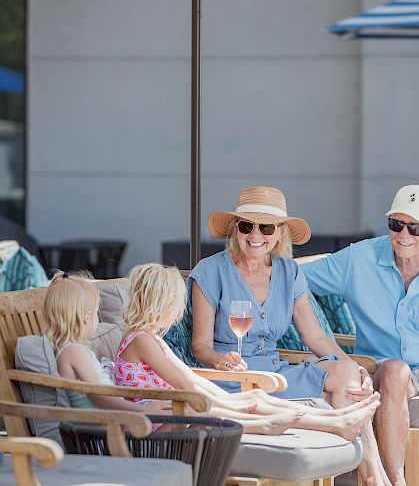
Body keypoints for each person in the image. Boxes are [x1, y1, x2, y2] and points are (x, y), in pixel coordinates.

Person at [190, 186, 390, 485]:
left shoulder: (289, 272)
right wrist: (221, 361)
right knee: (339, 396)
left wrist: (356, 367)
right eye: (247, 225)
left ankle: (370, 475)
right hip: (232, 378)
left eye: (266, 227)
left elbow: (316, 338)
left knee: (348, 378)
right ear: (235, 228)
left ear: (280, 233)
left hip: (277, 373)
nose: (255, 235)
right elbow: (200, 346)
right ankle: (375, 477)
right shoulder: (210, 271)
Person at [301, 184, 419, 486]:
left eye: (415, 227)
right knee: (396, 370)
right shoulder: (359, 259)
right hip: (384, 369)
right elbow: (296, 275)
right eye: (396, 224)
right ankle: (397, 481)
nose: (404, 235)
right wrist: (254, 262)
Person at [114, 262, 381, 439]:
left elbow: (190, 378)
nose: (178, 313)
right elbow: (187, 383)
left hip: (179, 406)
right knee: (252, 403)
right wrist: (232, 401)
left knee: (255, 400)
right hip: (164, 417)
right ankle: (335, 422)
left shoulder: (149, 340)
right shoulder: (142, 341)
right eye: (176, 304)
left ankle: (339, 418)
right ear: (162, 305)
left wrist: (237, 399)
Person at [43, 271, 173, 418]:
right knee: (179, 412)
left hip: (109, 422)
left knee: (177, 411)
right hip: (104, 430)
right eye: (95, 313)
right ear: (87, 318)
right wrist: (144, 409)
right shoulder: (73, 352)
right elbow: (102, 398)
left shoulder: (71, 349)